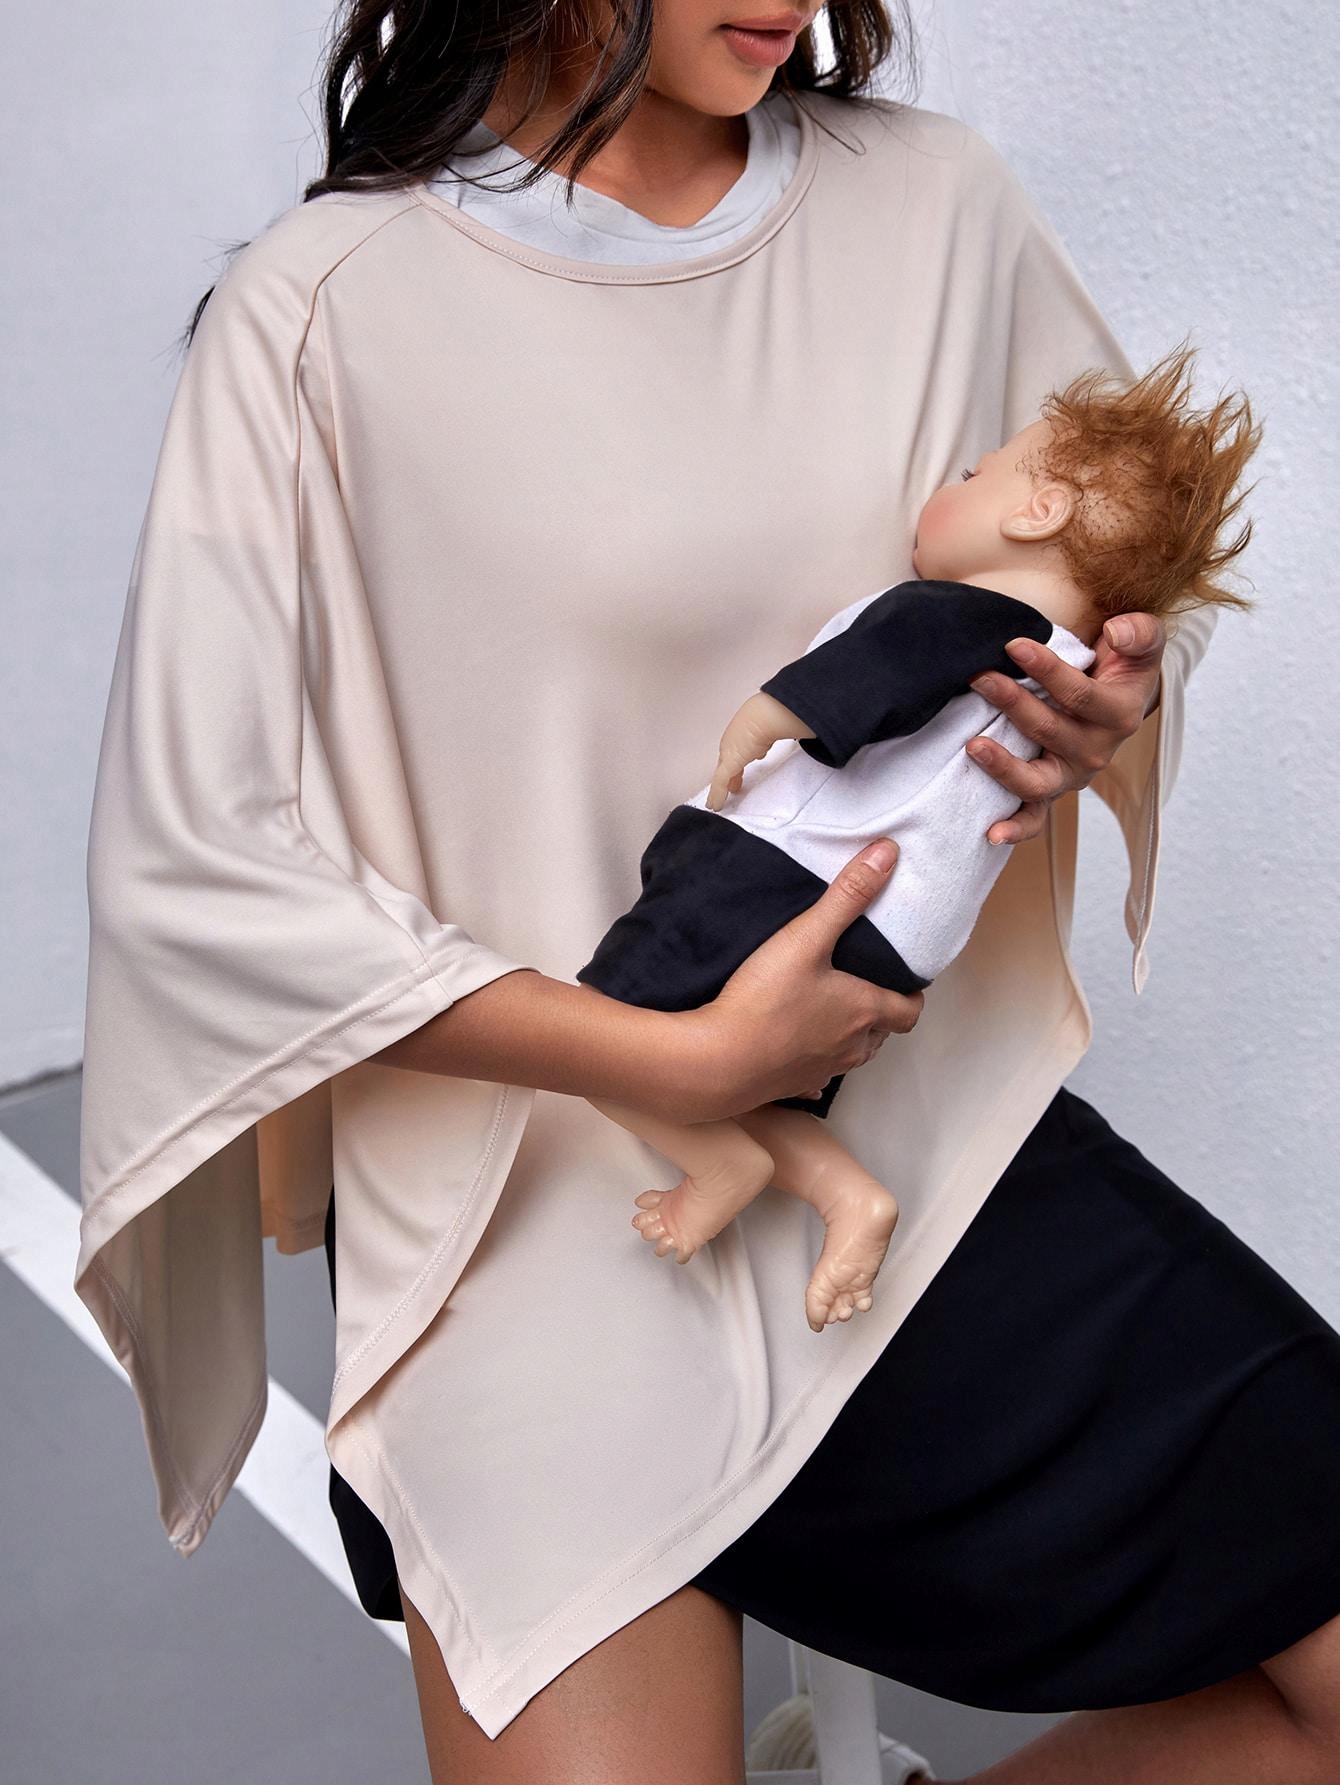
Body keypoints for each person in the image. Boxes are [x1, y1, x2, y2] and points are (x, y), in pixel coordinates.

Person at [73, 4, 1340, 1783]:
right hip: (521, 1222)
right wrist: (668, 1062)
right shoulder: (326, 307)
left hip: (915, 1161)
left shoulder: (937, 210)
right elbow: (198, 863)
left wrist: (1106, 695)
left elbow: (1120, 595)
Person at [576, 347, 1260, 1337]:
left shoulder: (966, 619)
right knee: (747, 1071)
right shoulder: (1062, 683)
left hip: (793, 874)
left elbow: (877, 668)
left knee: (610, 1023)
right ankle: (844, 1192)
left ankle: (720, 1164)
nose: (953, 481)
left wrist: (766, 718)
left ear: (1037, 513)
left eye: (976, 473)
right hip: (894, 943)